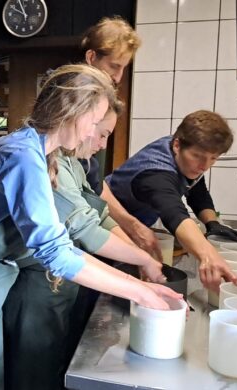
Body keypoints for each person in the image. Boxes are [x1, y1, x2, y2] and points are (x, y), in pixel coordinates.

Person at [0, 64, 181, 390]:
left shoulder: (39, 154)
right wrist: (141, 289)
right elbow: (58, 254)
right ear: (69, 110)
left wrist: (141, 273)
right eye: (94, 121)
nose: (92, 133)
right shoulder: (23, 157)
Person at [104, 110, 237, 292]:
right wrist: (208, 255)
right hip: (105, 227)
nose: (205, 165)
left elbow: (196, 190)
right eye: (198, 156)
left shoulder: (185, 152)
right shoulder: (155, 173)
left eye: (213, 159)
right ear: (177, 145)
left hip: (132, 229)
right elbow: (173, 213)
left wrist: (211, 222)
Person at [77, 16, 166, 263]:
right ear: (91, 57)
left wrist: (130, 225)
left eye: (124, 68)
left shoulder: (96, 112)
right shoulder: (73, 110)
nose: (118, 77)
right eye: (114, 66)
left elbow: (92, 180)